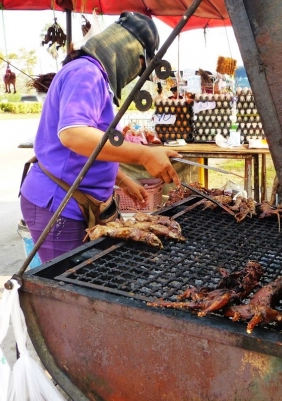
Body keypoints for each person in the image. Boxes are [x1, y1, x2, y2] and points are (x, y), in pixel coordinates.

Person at [20, 12, 182, 263]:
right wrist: (143, 154)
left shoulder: (91, 74)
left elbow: (88, 147)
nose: (136, 73)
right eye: (141, 64)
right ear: (130, 53)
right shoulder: (87, 74)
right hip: (59, 204)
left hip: (78, 202)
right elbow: (74, 135)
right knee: (70, 286)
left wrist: (123, 178)